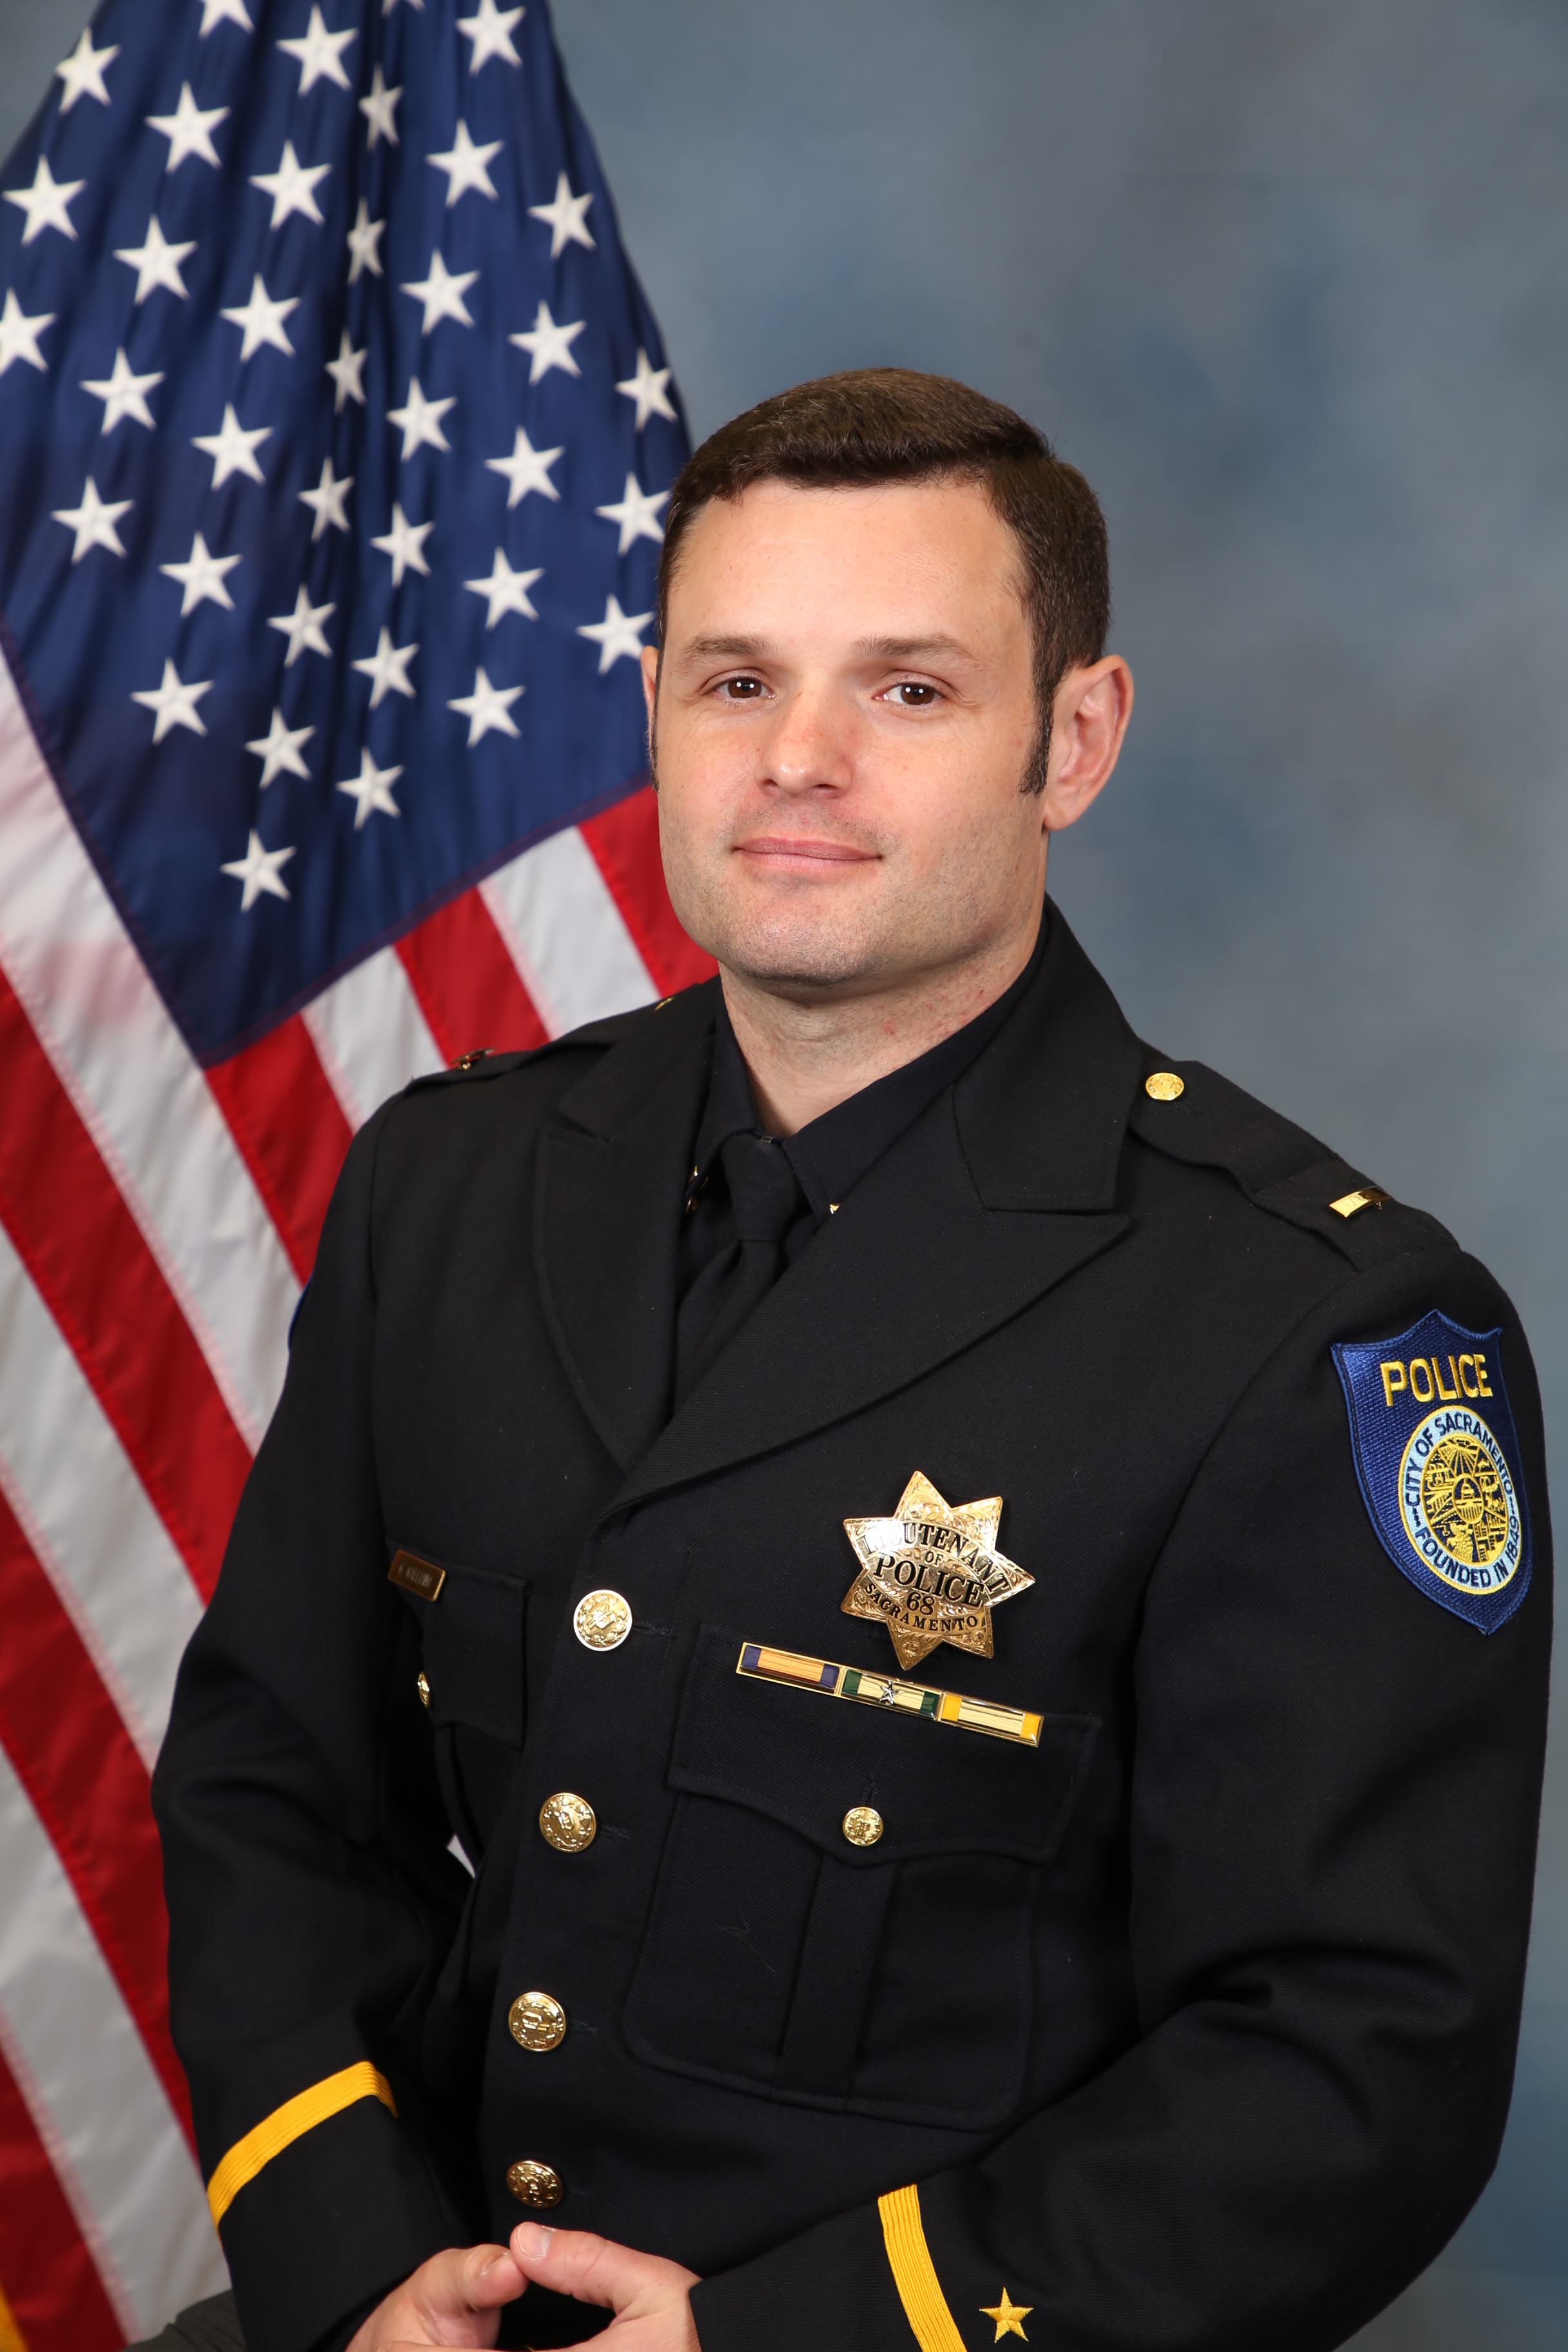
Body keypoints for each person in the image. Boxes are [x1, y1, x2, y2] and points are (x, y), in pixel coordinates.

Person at [150, 369, 1551, 2352]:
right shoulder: (449, 1185)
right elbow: (272, 1783)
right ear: (653, 712)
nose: (796, 759)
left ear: (1072, 741)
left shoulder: (1314, 1327)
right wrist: (359, 2261)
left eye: (905, 690)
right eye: (735, 683)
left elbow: (1354, 2059)